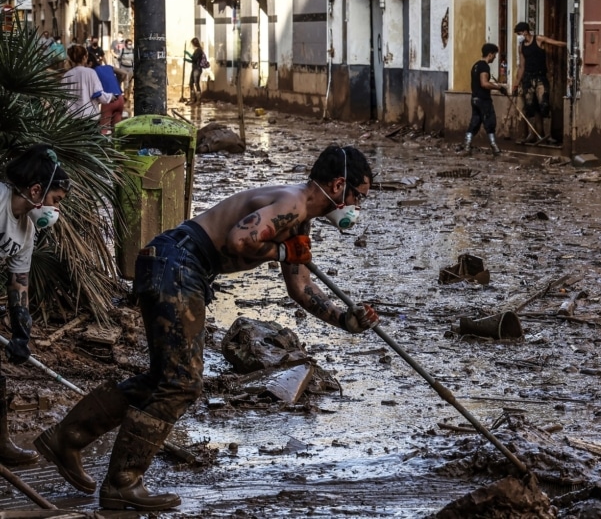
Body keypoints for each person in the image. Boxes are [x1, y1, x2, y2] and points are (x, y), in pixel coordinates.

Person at [35, 145, 380, 511]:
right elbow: (239, 240)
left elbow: (301, 287)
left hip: (174, 264)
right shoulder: (292, 203)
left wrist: (344, 319)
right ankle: (123, 481)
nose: (356, 207)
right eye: (358, 197)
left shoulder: (300, 217)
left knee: (164, 379)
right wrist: (281, 252)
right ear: (340, 184)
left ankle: (69, 436)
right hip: (179, 263)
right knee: (181, 383)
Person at [0, 144, 72, 467]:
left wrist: (21, 333)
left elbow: (19, 284)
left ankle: (1, 444)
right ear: (35, 191)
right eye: (55, 202)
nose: (55, 211)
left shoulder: (26, 230)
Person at [511, 21, 565, 145]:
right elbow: (521, 66)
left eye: (519, 33)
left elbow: (554, 42)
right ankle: (534, 134)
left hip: (540, 77)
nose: (519, 36)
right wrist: (516, 83)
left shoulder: (538, 39)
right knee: (531, 106)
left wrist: (569, 44)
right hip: (528, 79)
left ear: (525, 31)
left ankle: (547, 135)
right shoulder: (522, 47)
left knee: (544, 105)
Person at [463, 43, 508, 156]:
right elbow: (484, 83)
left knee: (475, 122)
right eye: (494, 55)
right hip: (483, 100)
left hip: (474, 99)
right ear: (490, 54)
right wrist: (499, 87)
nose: (495, 57)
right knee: (490, 122)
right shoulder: (484, 66)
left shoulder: (475, 65)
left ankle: (467, 146)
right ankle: (495, 148)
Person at [62, 45, 112, 121]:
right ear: (85, 57)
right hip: (90, 117)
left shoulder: (67, 75)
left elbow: (63, 98)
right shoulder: (91, 73)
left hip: (72, 119)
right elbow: (98, 94)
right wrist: (111, 97)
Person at [93, 59, 126, 134]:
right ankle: (116, 145)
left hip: (109, 100)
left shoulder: (93, 71)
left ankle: (103, 145)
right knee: (116, 130)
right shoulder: (108, 67)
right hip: (120, 98)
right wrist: (118, 83)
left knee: (103, 129)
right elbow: (124, 73)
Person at [188, 37, 204, 104]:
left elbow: (194, 59)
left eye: (192, 44)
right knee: (191, 83)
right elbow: (193, 60)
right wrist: (187, 59)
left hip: (197, 69)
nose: (191, 45)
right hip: (194, 68)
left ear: (194, 43)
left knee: (196, 83)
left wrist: (188, 54)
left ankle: (198, 100)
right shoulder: (196, 50)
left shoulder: (199, 50)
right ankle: (193, 99)